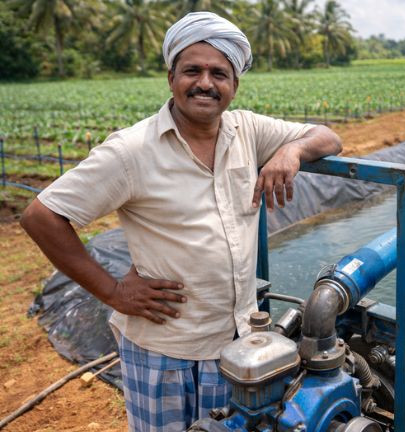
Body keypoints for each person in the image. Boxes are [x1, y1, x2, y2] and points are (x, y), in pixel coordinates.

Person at [20, 11, 342, 431]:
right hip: (164, 351)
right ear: (171, 77)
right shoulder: (131, 150)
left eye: (219, 73)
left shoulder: (248, 130)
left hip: (236, 346)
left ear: (234, 85)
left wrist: (290, 152)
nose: (206, 83)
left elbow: (328, 137)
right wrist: (114, 292)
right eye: (193, 70)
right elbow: (41, 215)